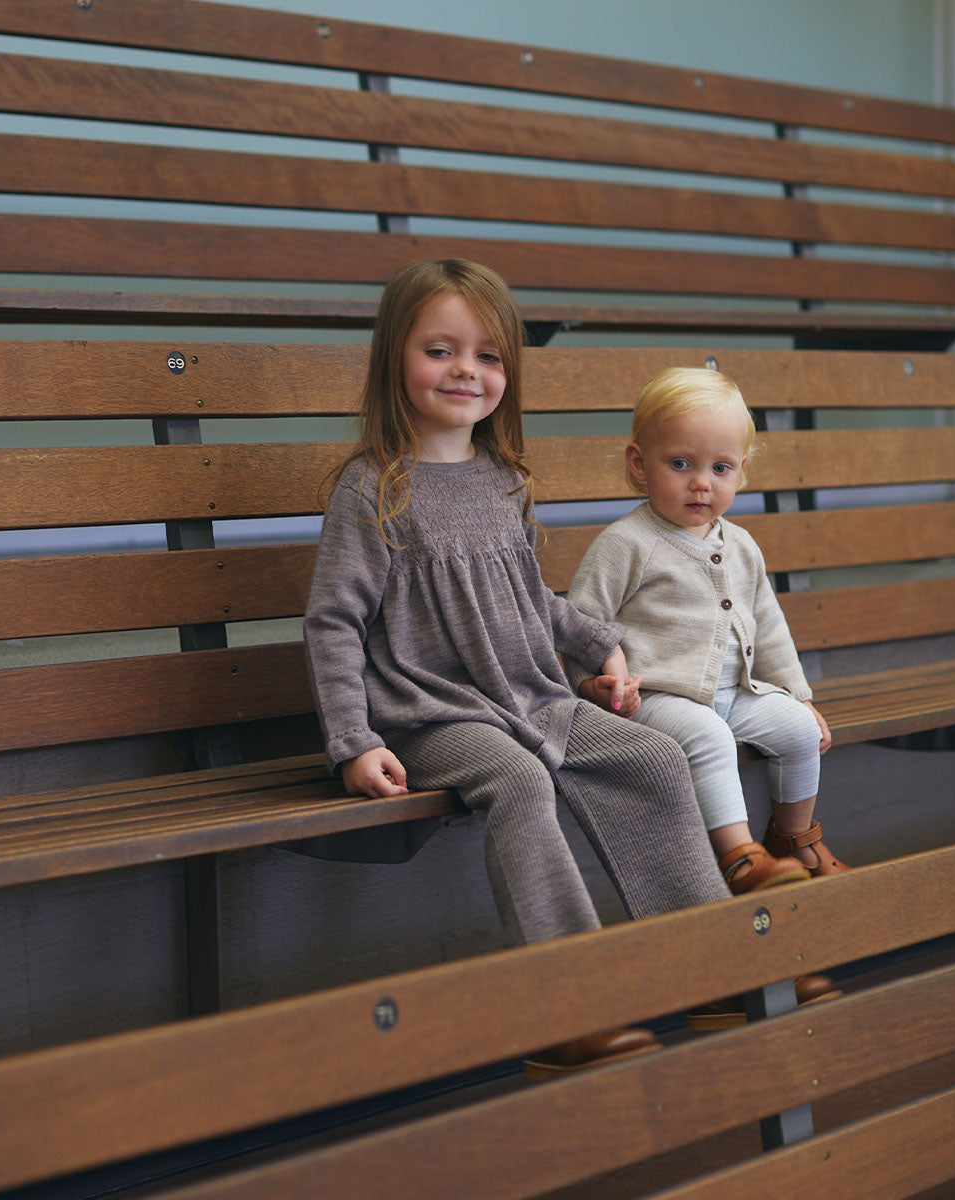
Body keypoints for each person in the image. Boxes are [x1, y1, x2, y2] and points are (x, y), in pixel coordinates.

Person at [303, 260, 732, 1074]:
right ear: (395, 357)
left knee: (654, 756)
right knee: (521, 782)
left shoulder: (504, 481)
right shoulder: (371, 490)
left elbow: (529, 602)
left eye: (489, 356)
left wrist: (600, 647)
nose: (467, 370)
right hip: (430, 715)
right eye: (441, 349)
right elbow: (334, 622)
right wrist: (353, 741)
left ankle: (707, 965)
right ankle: (570, 1007)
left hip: (532, 695)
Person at [566, 365, 850, 906]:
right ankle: (740, 858)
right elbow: (582, 623)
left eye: (720, 467)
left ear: (741, 472)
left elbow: (767, 623)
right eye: (680, 464)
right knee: (710, 739)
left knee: (797, 731)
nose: (702, 482)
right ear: (639, 463)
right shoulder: (626, 543)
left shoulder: (741, 545)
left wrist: (798, 695)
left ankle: (794, 840)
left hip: (735, 693)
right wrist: (592, 685)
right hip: (656, 698)